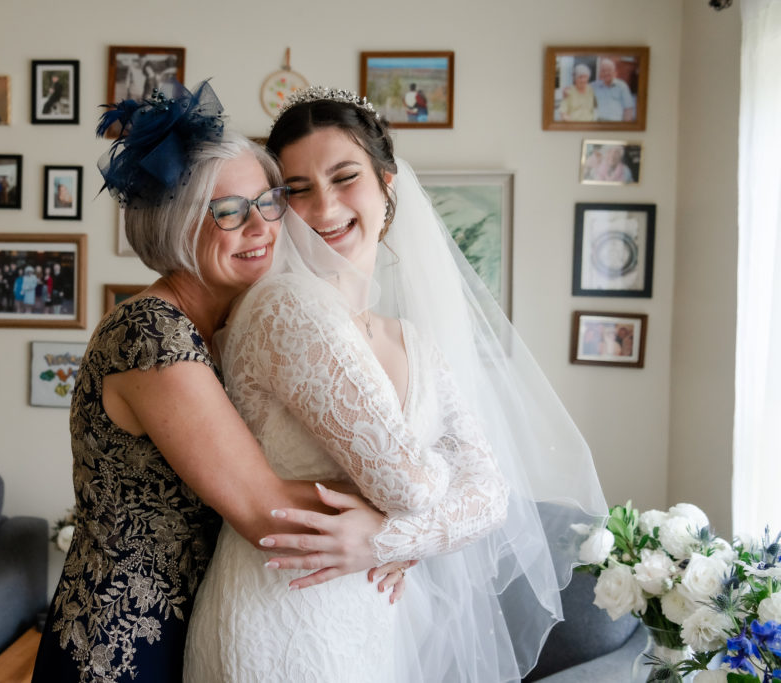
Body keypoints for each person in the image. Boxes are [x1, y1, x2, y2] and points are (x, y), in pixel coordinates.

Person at [184, 87, 607, 682]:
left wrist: (380, 540)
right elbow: (409, 484)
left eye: (344, 177)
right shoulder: (286, 307)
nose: (324, 207)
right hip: (285, 611)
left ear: (387, 185)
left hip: (371, 611)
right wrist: (414, 518)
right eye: (297, 190)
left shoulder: (412, 340)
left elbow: (492, 494)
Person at [31, 81, 398, 683]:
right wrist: (401, 530)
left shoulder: (223, 330)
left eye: (269, 201)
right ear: (177, 225)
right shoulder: (150, 333)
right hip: (122, 644)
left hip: (199, 626)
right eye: (228, 211)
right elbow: (263, 508)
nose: (260, 227)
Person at [593, 57, 636, 122]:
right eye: (603, 70)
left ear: (615, 72)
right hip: (597, 123)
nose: (606, 73)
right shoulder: (594, 86)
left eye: (609, 70)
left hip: (615, 124)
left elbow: (628, 109)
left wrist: (625, 127)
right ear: (600, 72)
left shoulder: (622, 86)